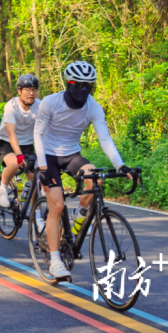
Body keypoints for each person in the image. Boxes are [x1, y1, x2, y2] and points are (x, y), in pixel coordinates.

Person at [34, 61, 133, 281]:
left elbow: (104, 138)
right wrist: (42, 165)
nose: (84, 91)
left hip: (71, 155)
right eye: (78, 85)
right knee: (57, 206)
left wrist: (120, 165)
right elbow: (38, 134)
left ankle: (79, 217)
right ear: (68, 84)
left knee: (95, 180)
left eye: (89, 86)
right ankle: (55, 259)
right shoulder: (50, 102)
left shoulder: (93, 107)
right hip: (48, 156)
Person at [0, 74, 41, 208]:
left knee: (36, 178)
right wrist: (19, 155)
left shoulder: (40, 106)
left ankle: (36, 214)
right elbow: (11, 133)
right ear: (19, 91)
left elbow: (43, 132)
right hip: (6, 141)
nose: (31, 93)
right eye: (27, 90)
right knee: (14, 164)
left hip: (26, 144)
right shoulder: (11, 106)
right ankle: (2, 188)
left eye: (34, 90)